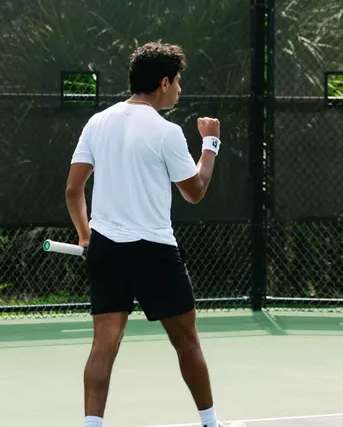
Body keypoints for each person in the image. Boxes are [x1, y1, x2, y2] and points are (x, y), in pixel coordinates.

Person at [65, 41, 236, 427]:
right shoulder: (167, 132)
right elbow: (195, 192)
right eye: (177, 82)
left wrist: (85, 236)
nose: (179, 89)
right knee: (187, 341)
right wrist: (211, 144)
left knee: (103, 346)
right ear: (163, 83)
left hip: (106, 249)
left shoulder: (97, 122)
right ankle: (210, 424)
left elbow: (73, 190)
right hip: (155, 252)